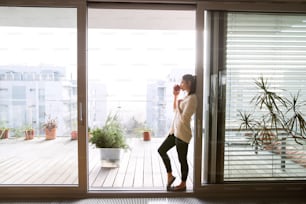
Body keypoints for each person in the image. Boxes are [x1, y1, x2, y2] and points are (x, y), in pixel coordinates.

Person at [158, 74, 197, 192]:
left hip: (183, 133)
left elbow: (185, 118)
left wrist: (180, 105)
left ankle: (183, 183)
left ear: (189, 83)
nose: (181, 84)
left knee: (182, 159)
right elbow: (175, 110)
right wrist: (176, 97)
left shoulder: (193, 98)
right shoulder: (186, 96)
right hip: (174, 131)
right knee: (161, 150)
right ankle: (170, 176)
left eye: (182, 82)